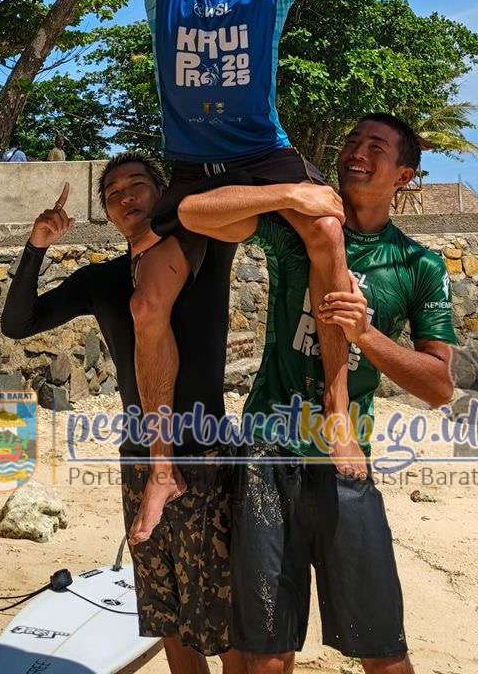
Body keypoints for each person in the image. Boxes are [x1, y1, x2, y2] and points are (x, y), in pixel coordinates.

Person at [92, 0, 374, 540]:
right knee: (149, 302)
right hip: (192, 170)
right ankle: (163, 472)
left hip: (258, 150)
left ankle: (336, 408)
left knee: (327, 228)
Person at [178, 114, 457, 674]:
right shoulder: (294, 230)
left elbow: (439, 386)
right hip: (266, 454)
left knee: (384, 652)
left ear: (403, 176)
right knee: (266, 655)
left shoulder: (418, 265)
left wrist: (367, 334)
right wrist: (286, 190)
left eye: (375, 146)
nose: (357, 151)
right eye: (353, 140)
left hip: (346, 461)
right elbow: (192, 212)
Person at [1, 159, 247, 674]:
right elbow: (18, 324)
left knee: (220, 616)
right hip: (139, 455)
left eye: (137, 185)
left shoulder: (203, 248)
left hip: (205, 451)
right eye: (112, 192)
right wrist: (37, 246)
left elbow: (230, 194)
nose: (125, 196)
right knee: (165, 614)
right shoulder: (102, 280)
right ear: (107, 212)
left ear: (161, 192)